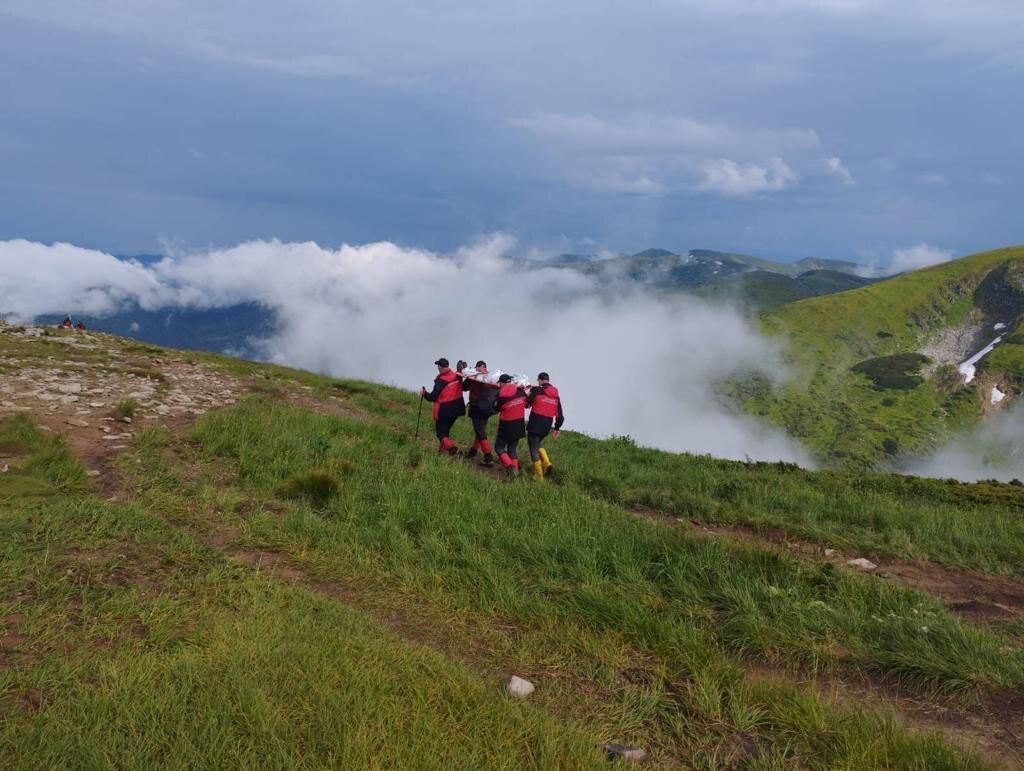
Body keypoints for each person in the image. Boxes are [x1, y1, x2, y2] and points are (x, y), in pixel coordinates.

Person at [420, 358, 465, 455]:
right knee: (445, 431)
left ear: (439, 367)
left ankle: (453, 449)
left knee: (440, 433)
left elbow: (433, 397)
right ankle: (441, 452)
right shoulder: (457, 375)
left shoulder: (441, 380)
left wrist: (424, 394)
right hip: (457, 409)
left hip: (445, 410)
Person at [527, 372, 563, 479]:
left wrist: (529, 393)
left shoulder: (537, 390)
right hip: (547, 424)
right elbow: (560, 415)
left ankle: (539, 476)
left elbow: (527, 403)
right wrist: (557, 427)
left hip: (535, 422)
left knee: (533, 446)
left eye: (538, 380)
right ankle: (546, 463)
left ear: (541, 380)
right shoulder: (556, 395)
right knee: (537, 443)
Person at [462, 360, 498, 466]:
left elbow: (464, 387)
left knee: (480, 432)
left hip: (476, 407)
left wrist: (469, 375)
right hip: (487, 409)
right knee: (480, 431)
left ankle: (488, 456)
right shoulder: (490, 378)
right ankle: (473, 451)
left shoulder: (475, 377)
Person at [494, 373, 527, 477]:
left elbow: (496, 409)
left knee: (499, 447)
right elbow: (527, 403)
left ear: (502, 383)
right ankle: (515, 471)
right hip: (519, 425)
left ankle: (510, 467)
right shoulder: (521, 392)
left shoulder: (501, 396)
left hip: (506, 425)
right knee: (512, 449)